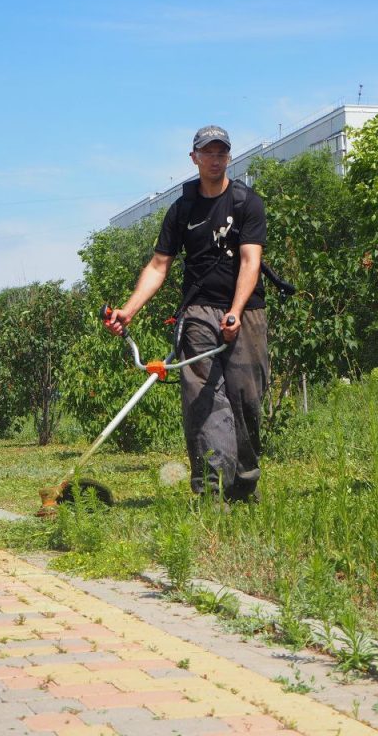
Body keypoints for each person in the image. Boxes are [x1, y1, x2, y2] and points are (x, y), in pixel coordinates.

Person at [104, 125, 269, 503]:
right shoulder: (182, 210)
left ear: (228, 157)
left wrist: (236, 311)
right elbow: (158, 265)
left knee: (246, 401)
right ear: (194, 157)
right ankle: (211, 491)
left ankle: (243, 484)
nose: (215, 159)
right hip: (198, 313)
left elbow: (251, 261)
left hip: (246, 312)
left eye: (221, 152)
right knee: (204, 401)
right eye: (207, 152)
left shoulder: (246, 202)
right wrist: (129, 310)